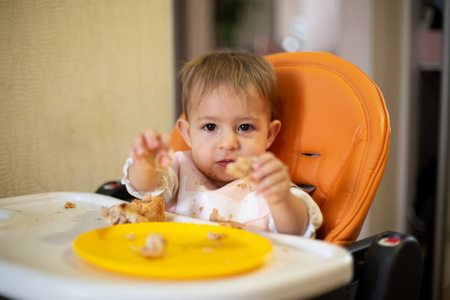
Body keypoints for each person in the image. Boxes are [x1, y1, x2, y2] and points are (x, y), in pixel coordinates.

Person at [122, 50, 322, 237]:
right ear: (187, 133)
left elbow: (297, 232)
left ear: (269, 134)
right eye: (210, 127)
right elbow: (145, 188)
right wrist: (147, 165)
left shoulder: (269, 184)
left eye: (245, 127)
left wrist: (280, 199)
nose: (228, 144)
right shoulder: (180, 168)